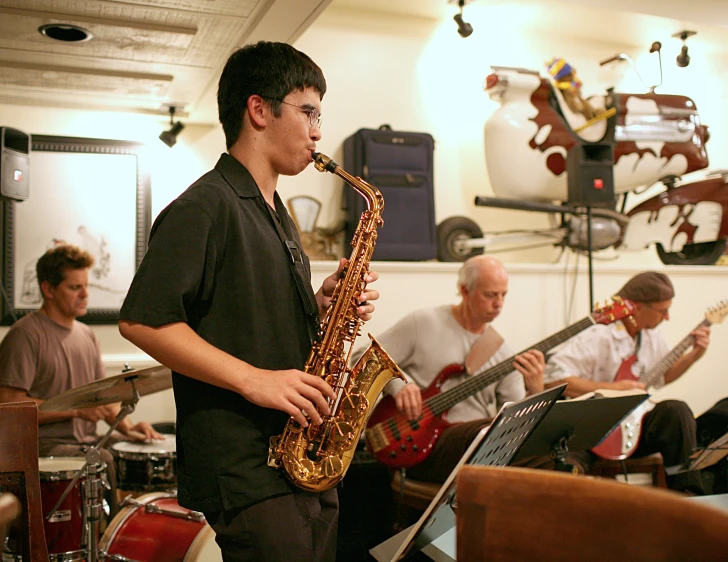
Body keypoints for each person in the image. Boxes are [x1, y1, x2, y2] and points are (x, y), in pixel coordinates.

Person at [117, 41, 379, 562]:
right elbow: (143, 321)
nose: (318, 132)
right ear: (259, 109)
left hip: (300, 457)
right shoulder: (204, 205)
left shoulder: (278, 212)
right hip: (249, 466)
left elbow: (249, 315)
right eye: (308, 111)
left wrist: (322, 304)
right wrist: (255, 380)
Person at [0, 244, 162, 515]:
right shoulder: (26, 335)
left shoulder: (86, 334)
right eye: (75, 287)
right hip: (43, 446)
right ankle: (102, 541)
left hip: (84, 442)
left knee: (138, 450)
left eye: (86, 286)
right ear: (48, 290)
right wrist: (75, 410)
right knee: (105, 459)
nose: (85, 294)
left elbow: (103, 400)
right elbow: (9, 406)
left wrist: (130, 429)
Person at [356, 255, 545, 483]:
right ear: (465, 291)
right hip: (424, 445)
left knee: (542, 450)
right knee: (484, 432)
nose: (499, 303)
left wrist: (535, 391)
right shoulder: (423, 323)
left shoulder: (504, 353)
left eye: (503, 295)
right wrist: (398, 387)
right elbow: (362, 357)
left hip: (475, 450)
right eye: (490, 295)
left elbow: (515, 422)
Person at [544, 271, 710, 494]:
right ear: (638, 307)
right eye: (663, 311)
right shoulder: (597, 335)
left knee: (676, 411)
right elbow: (555, 381)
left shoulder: (652, 337)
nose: (667, 317)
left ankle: (690, 498)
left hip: (635, 425)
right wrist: (612, 389)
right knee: (568, 464)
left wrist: (694, 356)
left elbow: (663, 376)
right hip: (596, 430)